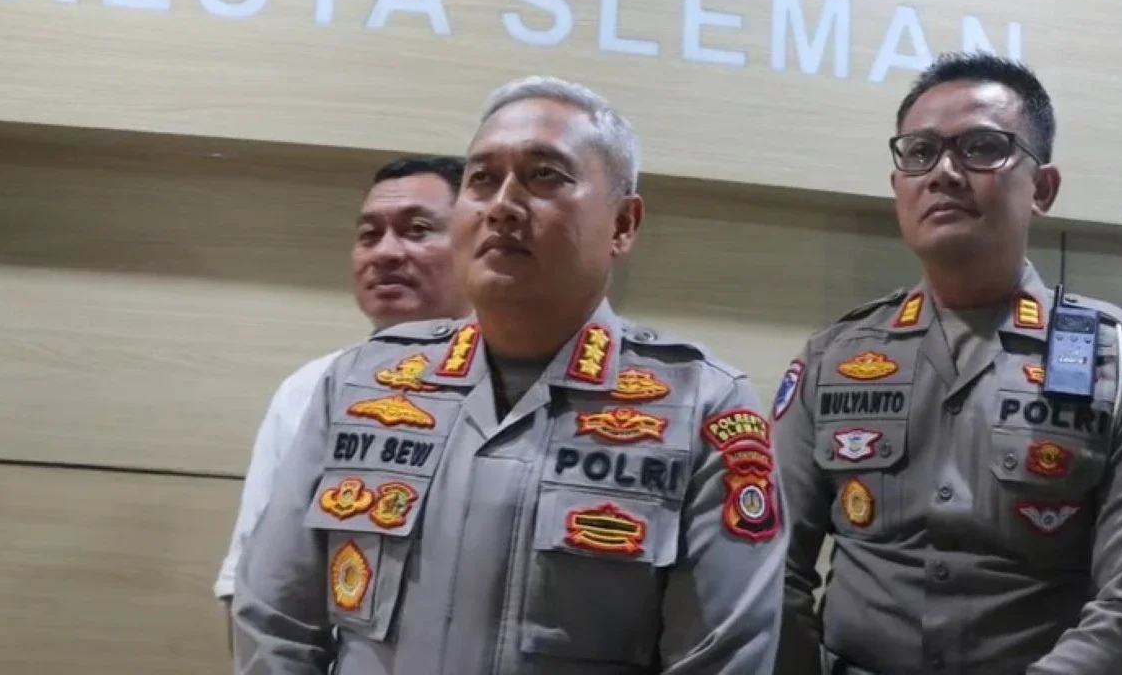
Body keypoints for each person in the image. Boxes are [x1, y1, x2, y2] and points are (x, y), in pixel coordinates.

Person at [232, 75, 789, 674]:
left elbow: (720, 659)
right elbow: (276, 621)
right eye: (481, 179)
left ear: (623, 224)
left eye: (545, 175)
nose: (501, 205)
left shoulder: (703, 405)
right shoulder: (362, 382)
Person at [772, 52, 1122, 675]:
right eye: (920, 152)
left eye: (981, 148)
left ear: (1042, 189)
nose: (944, 172)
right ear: (898, 185)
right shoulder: (830, 360)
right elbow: (770, 570)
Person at [213, 154, 471, 650]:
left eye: (417, 231)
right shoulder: (310, 388)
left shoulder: (521, 387)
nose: (386, 252)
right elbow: (254, 591)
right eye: (369, 235)